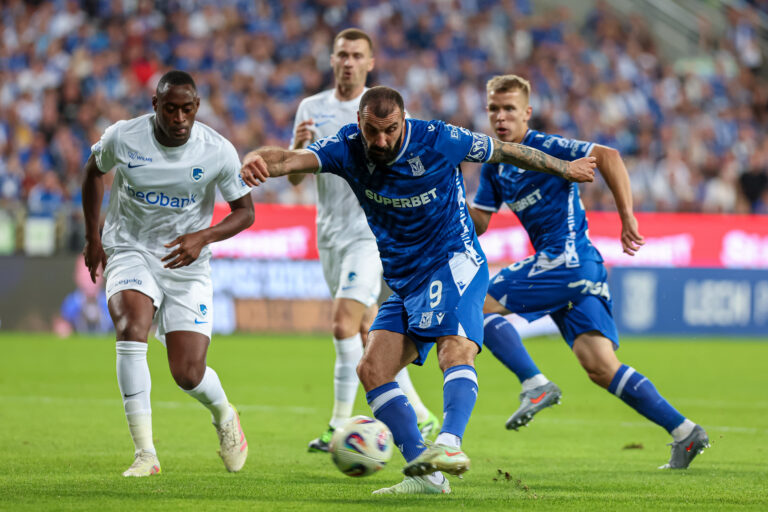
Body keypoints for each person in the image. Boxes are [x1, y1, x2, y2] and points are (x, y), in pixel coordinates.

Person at [240, 85, 596, 494]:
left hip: (454, 260)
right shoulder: (346, 148)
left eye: (390, 130)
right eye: (372, 131)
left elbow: (506, 151)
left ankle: (449, 444)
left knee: (454, 347)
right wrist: (255, 159)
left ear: (403, 121)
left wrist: (564, 169)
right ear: (359, 122)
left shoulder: (439, 138)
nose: (381, 140)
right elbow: (288, 159)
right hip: (405, 279)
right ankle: (427, 477)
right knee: (372, 370)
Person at [469, 74, 709, 469]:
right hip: (576, 270)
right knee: (600, 367)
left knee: (476, 305)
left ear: (527, 113)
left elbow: (609, 156)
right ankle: (684, 431)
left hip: (567, 260)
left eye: (509, 108)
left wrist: (627, 217)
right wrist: (446, 203)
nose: (500, 116)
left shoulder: (545, 146)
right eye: (493, 109)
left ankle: (534, 384)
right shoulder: (496, 163)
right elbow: (481, 219)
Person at [82, 70, 253, 477]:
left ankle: (225, 415)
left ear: (197, 108)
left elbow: (245, 212)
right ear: (155, 105)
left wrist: (204, 236)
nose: (179, 118)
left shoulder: (217, 150)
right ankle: (146, 454)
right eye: (171, 108)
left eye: (187, 109)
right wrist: (93, 237)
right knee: (131, 327)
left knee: (188, 374)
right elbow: (93, 173)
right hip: (129, 247)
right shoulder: (124, 137)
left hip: (186, 263)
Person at [288, 28, 440, 452]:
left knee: (341, 322)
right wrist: (298, 145)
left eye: (357, 55)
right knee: (367, 329)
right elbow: (299, 177)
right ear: (332, 59)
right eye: (342, 54)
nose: (348, 61)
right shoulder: (310, 106)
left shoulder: (380, 108)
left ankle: (337, 425)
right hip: (330, 234)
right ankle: (423, 415)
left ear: (370, 62)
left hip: (369, 234)